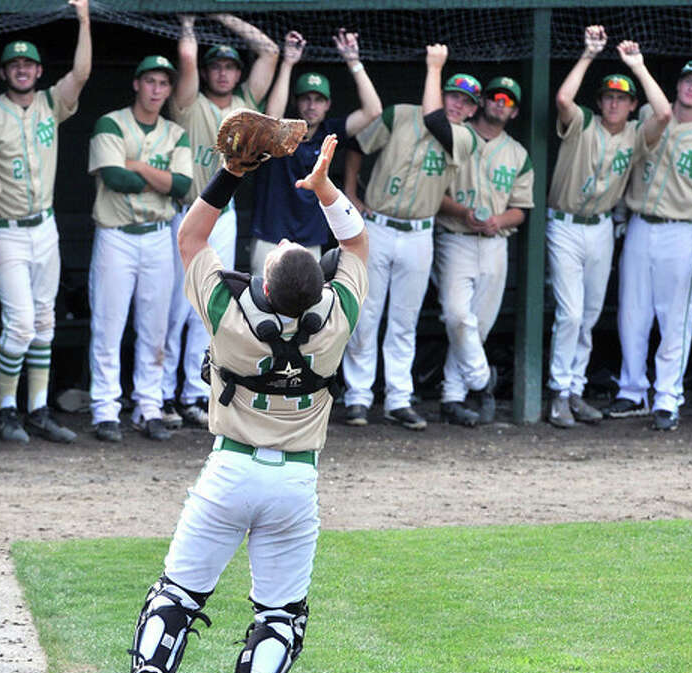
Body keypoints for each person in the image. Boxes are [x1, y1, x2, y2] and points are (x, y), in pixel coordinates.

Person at [117, 132, 368, 673]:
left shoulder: (231, 314)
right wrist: (325, 188)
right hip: (295, 482)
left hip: (228, 473)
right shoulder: (335, 318)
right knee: (281, 615)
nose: (283, 243)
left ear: (267, 279)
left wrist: (230, 173)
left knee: (177, 593)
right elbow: (358, 242)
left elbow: (191, 237)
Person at [340, 44, 476, 429]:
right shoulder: (400, 114)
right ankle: (358, 398)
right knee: (365, 316)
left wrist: (435, 66)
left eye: (466, 102)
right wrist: (351, 192)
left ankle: (398, 399)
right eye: (453, 95)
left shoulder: (464, 138)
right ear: (441, 92)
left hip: (419, 232)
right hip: (379, 226)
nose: (457, 105)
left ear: (471, 110)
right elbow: (356, 146)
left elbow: (435, 120)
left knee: (404, 320)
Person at [0, 0, 92, 444]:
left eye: (28, 64)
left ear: (38, 71)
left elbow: (81, 74)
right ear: (4, 72)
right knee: (21, 322)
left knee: (45, 320)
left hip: (45, 226)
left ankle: (38, 409)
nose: (21, 70)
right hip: (5, 227)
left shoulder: (49, 103)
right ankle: (6, 409)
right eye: (14, 65)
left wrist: (83, 18)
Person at [545, 27, 671, 428]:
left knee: (589, 313)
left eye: (622, 98)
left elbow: (665, 114)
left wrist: (637, 65)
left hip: (601, 227)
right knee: (570, 312)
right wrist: (588, 55)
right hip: (564, 223)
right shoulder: (583, 122)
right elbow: (564, 99)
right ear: (600, 102)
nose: (614, 103)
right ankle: (558, 393)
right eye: (609, 97)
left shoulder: (636, 134)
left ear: (632, 105)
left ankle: (576, 389)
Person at [603, 59, 692, 431]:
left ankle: (667, 396)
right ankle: (632, 391)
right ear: (677, 85)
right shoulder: (649, 113)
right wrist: (619, 216)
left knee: (675, 317)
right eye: (687, 81)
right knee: (632, 313)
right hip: (640, 224)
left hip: (684, 231)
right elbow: (626, 166)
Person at [161, 13, 278, 431]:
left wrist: (222, 15)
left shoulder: (247, 104)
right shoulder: (189, 102)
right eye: (218, 66)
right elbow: (187, 57)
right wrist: (191, 23)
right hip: (186, 215)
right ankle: (161, 393)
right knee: (173, 308)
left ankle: (193, 392)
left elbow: (269, 51)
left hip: (224, 217)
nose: (223, 73)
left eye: (229, 66)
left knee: (209, 306)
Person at [86, 55, 192, 443]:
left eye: (163, 84)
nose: (156, 90)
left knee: (155, 327)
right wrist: (157, 178)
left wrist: (140, 167)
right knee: (108, 325)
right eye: (150, 81)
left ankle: (148, 406)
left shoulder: (175, 132)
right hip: (116, 235)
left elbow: (181, 186)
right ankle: (105, 409)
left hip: (158, 234)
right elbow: (115, 178)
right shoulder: (111, 123)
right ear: (136, 84)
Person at [435, 76, 535, 426]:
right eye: (494, 97)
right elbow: (435, 192)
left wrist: (498, 220)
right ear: (482, 103)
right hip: (457, 237)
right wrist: (464, 213)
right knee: (457, 316)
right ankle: (482, 382)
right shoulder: (457, 136)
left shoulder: (518, 153)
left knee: (476, 329)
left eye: (506, 101)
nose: (499, 104)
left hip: (495, 242)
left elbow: (522, 209)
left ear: (514, 111)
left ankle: (452, 397)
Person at [250, 28, 381, 269]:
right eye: (306, 98)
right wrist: (288, 63)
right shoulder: (283, 129)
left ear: (328, 104)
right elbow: (271, 118)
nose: (312, 106)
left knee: (307, 304)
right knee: (264, 305)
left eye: (318, 100)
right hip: (271, 235)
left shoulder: (329, 132)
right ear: (296, 101)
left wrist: (353, 61)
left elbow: (373, 110)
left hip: (311, 239)